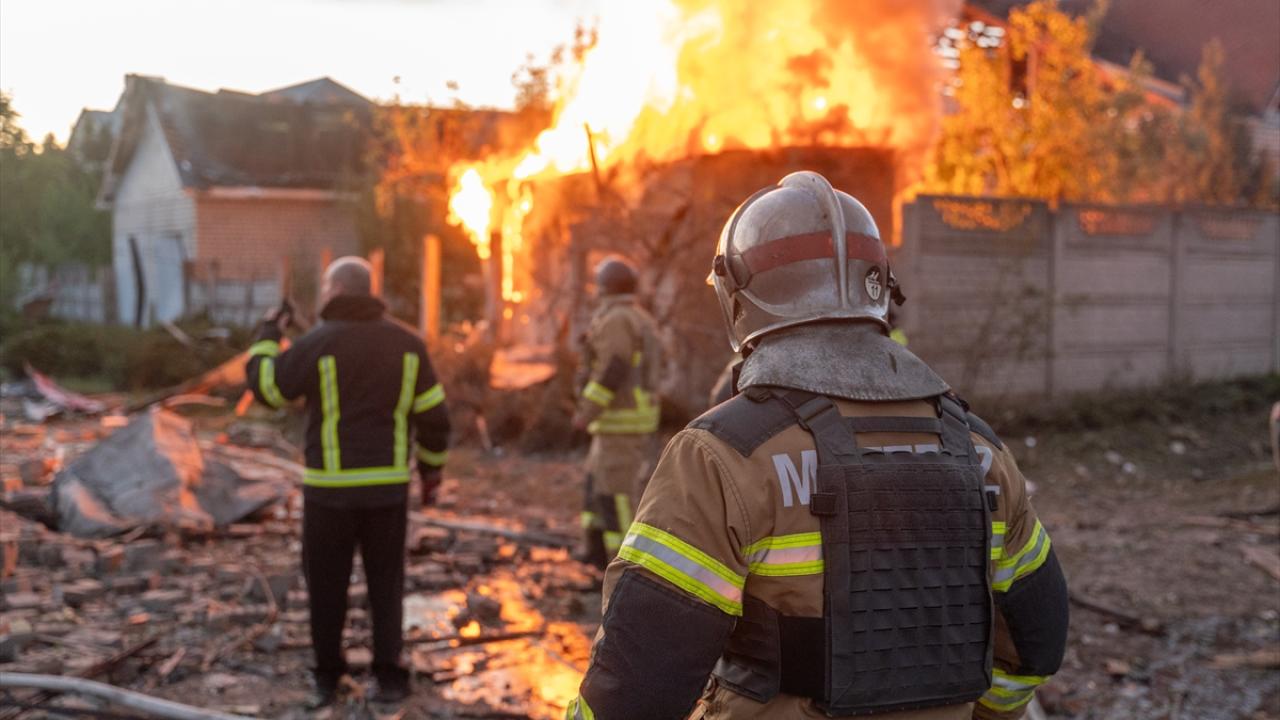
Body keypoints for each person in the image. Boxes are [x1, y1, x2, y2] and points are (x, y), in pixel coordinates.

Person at [567, 172, 1069, 720]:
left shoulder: (722, 456)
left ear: (739, 298)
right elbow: (1036, 640)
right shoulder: (981, 451)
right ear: (878, 286)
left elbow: (636, 685)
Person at [245, 257, 451, 706]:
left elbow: (269, 387)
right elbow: (436, 418)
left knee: (327, 587)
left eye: (324, 287)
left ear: (336, 291)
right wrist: (431, 474)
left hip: (329, 493)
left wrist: (267, 336)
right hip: (387, 490)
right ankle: (390, 678)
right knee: (386, 585)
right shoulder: (409, 346)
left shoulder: (318, 342)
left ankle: (326, 676)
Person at [572, 257, 663, 569]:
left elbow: (614, 367)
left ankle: (625, 567)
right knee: (596, 486)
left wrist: (587, 410)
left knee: (617, 496)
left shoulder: (616, 320)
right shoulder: (636, 316)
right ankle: (596, 552)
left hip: (620, 420)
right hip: (619, 422)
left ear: (604, 287)